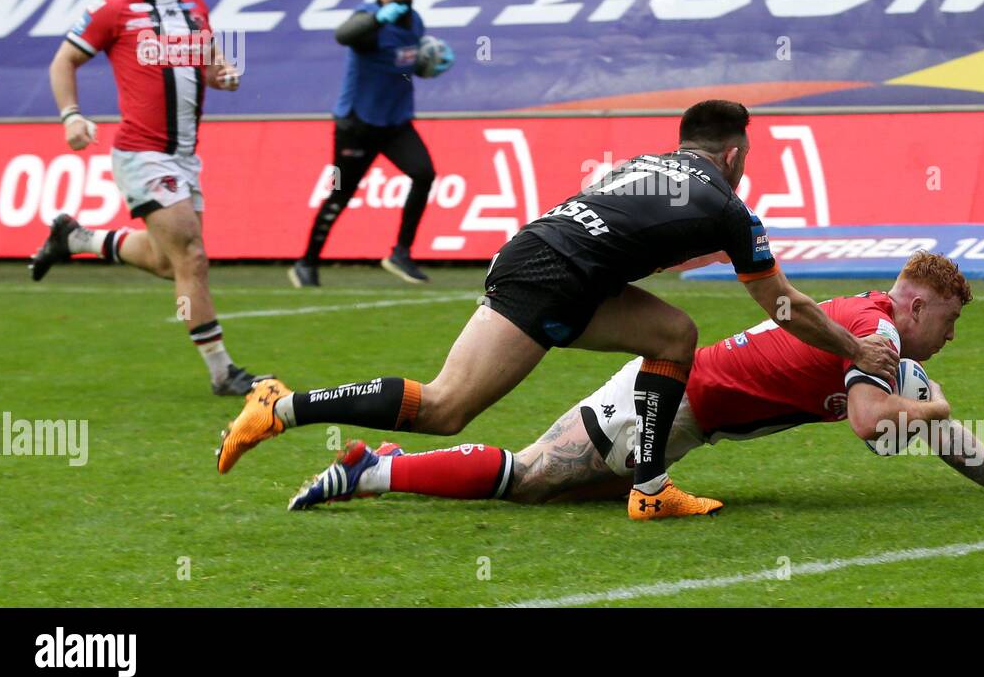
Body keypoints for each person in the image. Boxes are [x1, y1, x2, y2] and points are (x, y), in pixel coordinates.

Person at [218, 99, 900, 520]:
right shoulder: (728, 205)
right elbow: (785, 307)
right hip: (553, 275)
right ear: (734, 153)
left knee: (673, 333)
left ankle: (651, 485)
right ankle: (281, 406)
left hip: (543, 255)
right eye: (746, 156)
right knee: (447, 407)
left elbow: (626, 232)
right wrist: (855, 351)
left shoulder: (650, 164)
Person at [286, 252, 984, 511]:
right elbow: (877, 424)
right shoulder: (875, 332)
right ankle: (375, 468)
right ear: (913, 303)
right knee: (529, 478)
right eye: (948, 317)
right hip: (665, 403)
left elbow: (926, 430)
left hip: (682, 414)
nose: (951, 332)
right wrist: (934, 403)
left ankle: (380, 462)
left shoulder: (877, 333)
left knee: (564, 493)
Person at [28, 0, 261, 396]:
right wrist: (71, 115)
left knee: (166, 261)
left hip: (185, 157)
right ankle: (223, 372)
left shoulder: (195, 8)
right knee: (192, 257)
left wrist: (224, 75)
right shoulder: (115, 8)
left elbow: (209, 67)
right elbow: (63, 60)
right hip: (142, 153)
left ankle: (77, 238)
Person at [287, 0, 453, 288]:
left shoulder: (414, 21)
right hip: (359, 122)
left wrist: (427, 65)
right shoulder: (369, 20)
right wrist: (378, 17)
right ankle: (306, 263)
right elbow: (343, 35)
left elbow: (402, 62)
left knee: (423, 174)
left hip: (395, 122)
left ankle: (400, 253)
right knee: (341, 194)